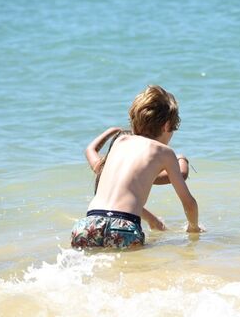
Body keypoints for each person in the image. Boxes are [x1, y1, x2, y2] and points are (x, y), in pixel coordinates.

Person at [70, 85, 202, 249]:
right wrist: (193, 228)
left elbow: (119, 203)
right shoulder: (165, 152)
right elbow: (188, 202)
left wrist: (152, 220)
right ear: (167, 126)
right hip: (124, 229)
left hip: (86, 226)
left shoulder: (119, 142)